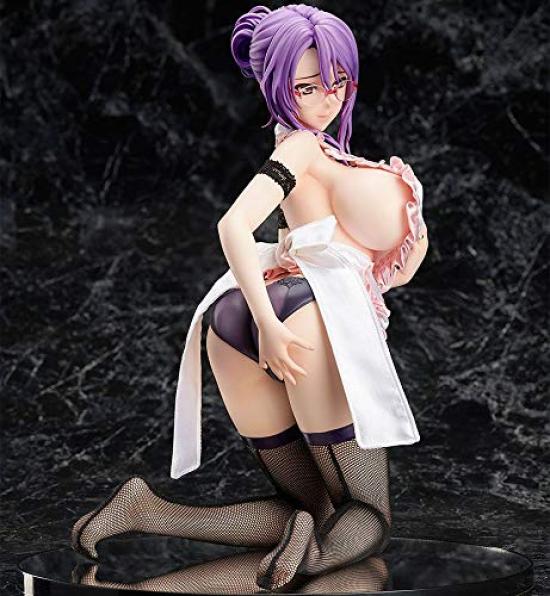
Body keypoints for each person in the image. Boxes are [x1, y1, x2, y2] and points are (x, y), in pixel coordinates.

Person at [70, 4, 429, 591]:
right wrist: (271, 324)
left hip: (236, 316)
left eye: (336, 81)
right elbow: (234, 225)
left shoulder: (316, 151)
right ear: (278, 89)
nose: (327, 98)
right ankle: (310, 560)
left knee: (309, 508)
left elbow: (334, 247)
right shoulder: (301, 148)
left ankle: (146, 511)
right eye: (306, 87)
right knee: (367, 513)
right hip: (303, 315)